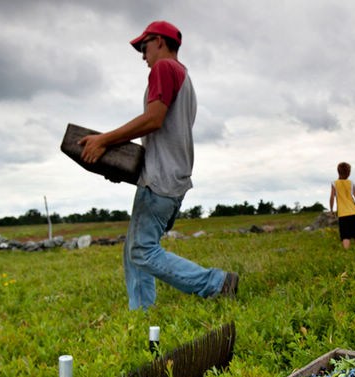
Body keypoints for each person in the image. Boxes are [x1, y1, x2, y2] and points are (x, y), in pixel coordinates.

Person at [79, 20, 238, 310]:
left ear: (160, 42)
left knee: (141, 250)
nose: (142, 54)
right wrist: (121, 166)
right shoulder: (183, 76)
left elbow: (153, 120)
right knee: (134, 249)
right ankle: (141, 310)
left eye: (144, 45)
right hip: (168, 175)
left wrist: (104, 140)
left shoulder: (164, 69)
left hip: (161, 180)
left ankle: (215, 283)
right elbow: (162, 135)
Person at [329, 162, 355, 249]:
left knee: (345, 236)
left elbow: (332, 198)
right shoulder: (351, 183)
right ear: (349, 173)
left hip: (343, 214)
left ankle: (346, 252)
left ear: (338, 172)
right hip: (353, 212)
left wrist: (331, 210)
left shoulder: (334, 183)